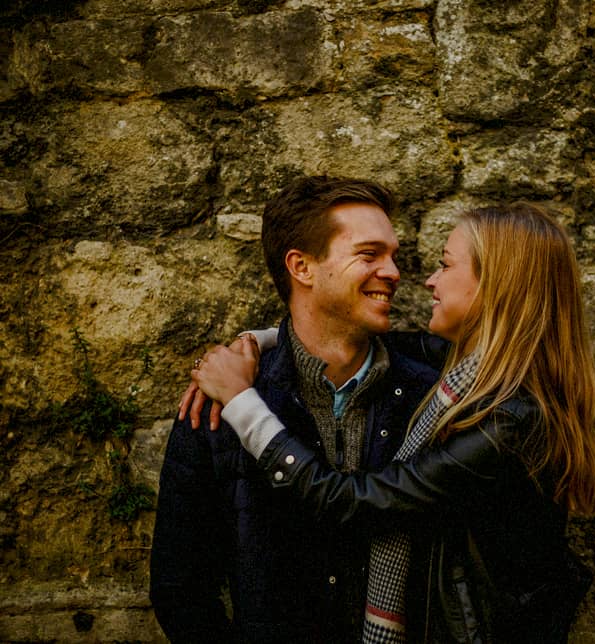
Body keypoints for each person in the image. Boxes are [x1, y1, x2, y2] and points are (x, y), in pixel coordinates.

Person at [190, 202, 595, 643]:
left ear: (497, 287)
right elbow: (345, 334)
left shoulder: (509, 420)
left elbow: (350, 503)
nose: (428, 280)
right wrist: (253, 343)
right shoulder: (474, 369)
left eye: (446, 266)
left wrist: (240, 401)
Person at [149, 176, 440, 643]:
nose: (394, 272)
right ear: (301, 267)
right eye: (369, 254)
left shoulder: (430, 395)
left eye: (392, 255)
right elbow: (180, 589)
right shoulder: (219, 403)